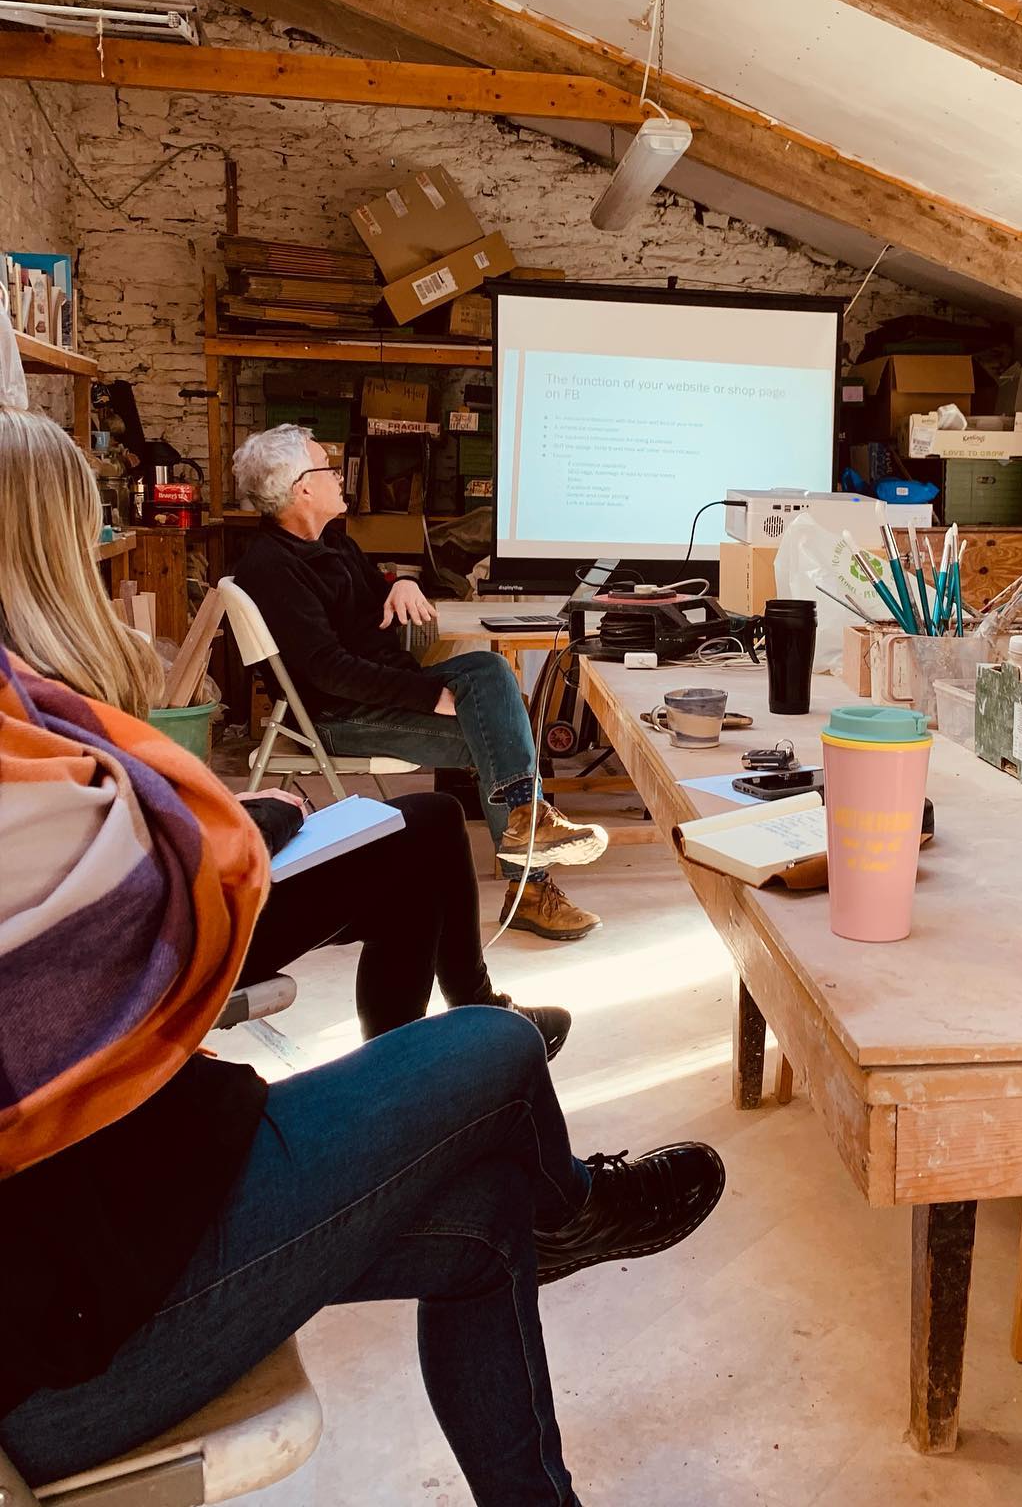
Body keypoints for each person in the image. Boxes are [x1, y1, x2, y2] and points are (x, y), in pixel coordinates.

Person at [0, 647, 725, 1497]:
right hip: (54, 1340)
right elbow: (174, 889)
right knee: (498, 1045)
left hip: (110, 1206)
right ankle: (572, 1207)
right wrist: (239, 823)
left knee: (489, 1218)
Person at [0, 407, 568, 1058]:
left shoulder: (48, 666)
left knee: (444, 807)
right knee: (457, 787)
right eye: (83, 522)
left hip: (168, 890)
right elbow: (124, 850)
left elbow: (123, 813)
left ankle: (458, 1026)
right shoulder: (43, 680)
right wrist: (265, 818)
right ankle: (470, 1012)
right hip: (169, 930)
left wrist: (403, 583)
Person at [232, 424, 603, 943]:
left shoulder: (332, 543)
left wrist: (399, 582)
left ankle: (527, 828)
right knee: (501, 736)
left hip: (378, 693)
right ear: (301, 488)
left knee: (491, 672)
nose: (339, 476)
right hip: (336, 718)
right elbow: (329, 671)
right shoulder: (272, 568)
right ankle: (532, 886)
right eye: (327, 467)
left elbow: (367, 601)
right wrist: (431, 695)